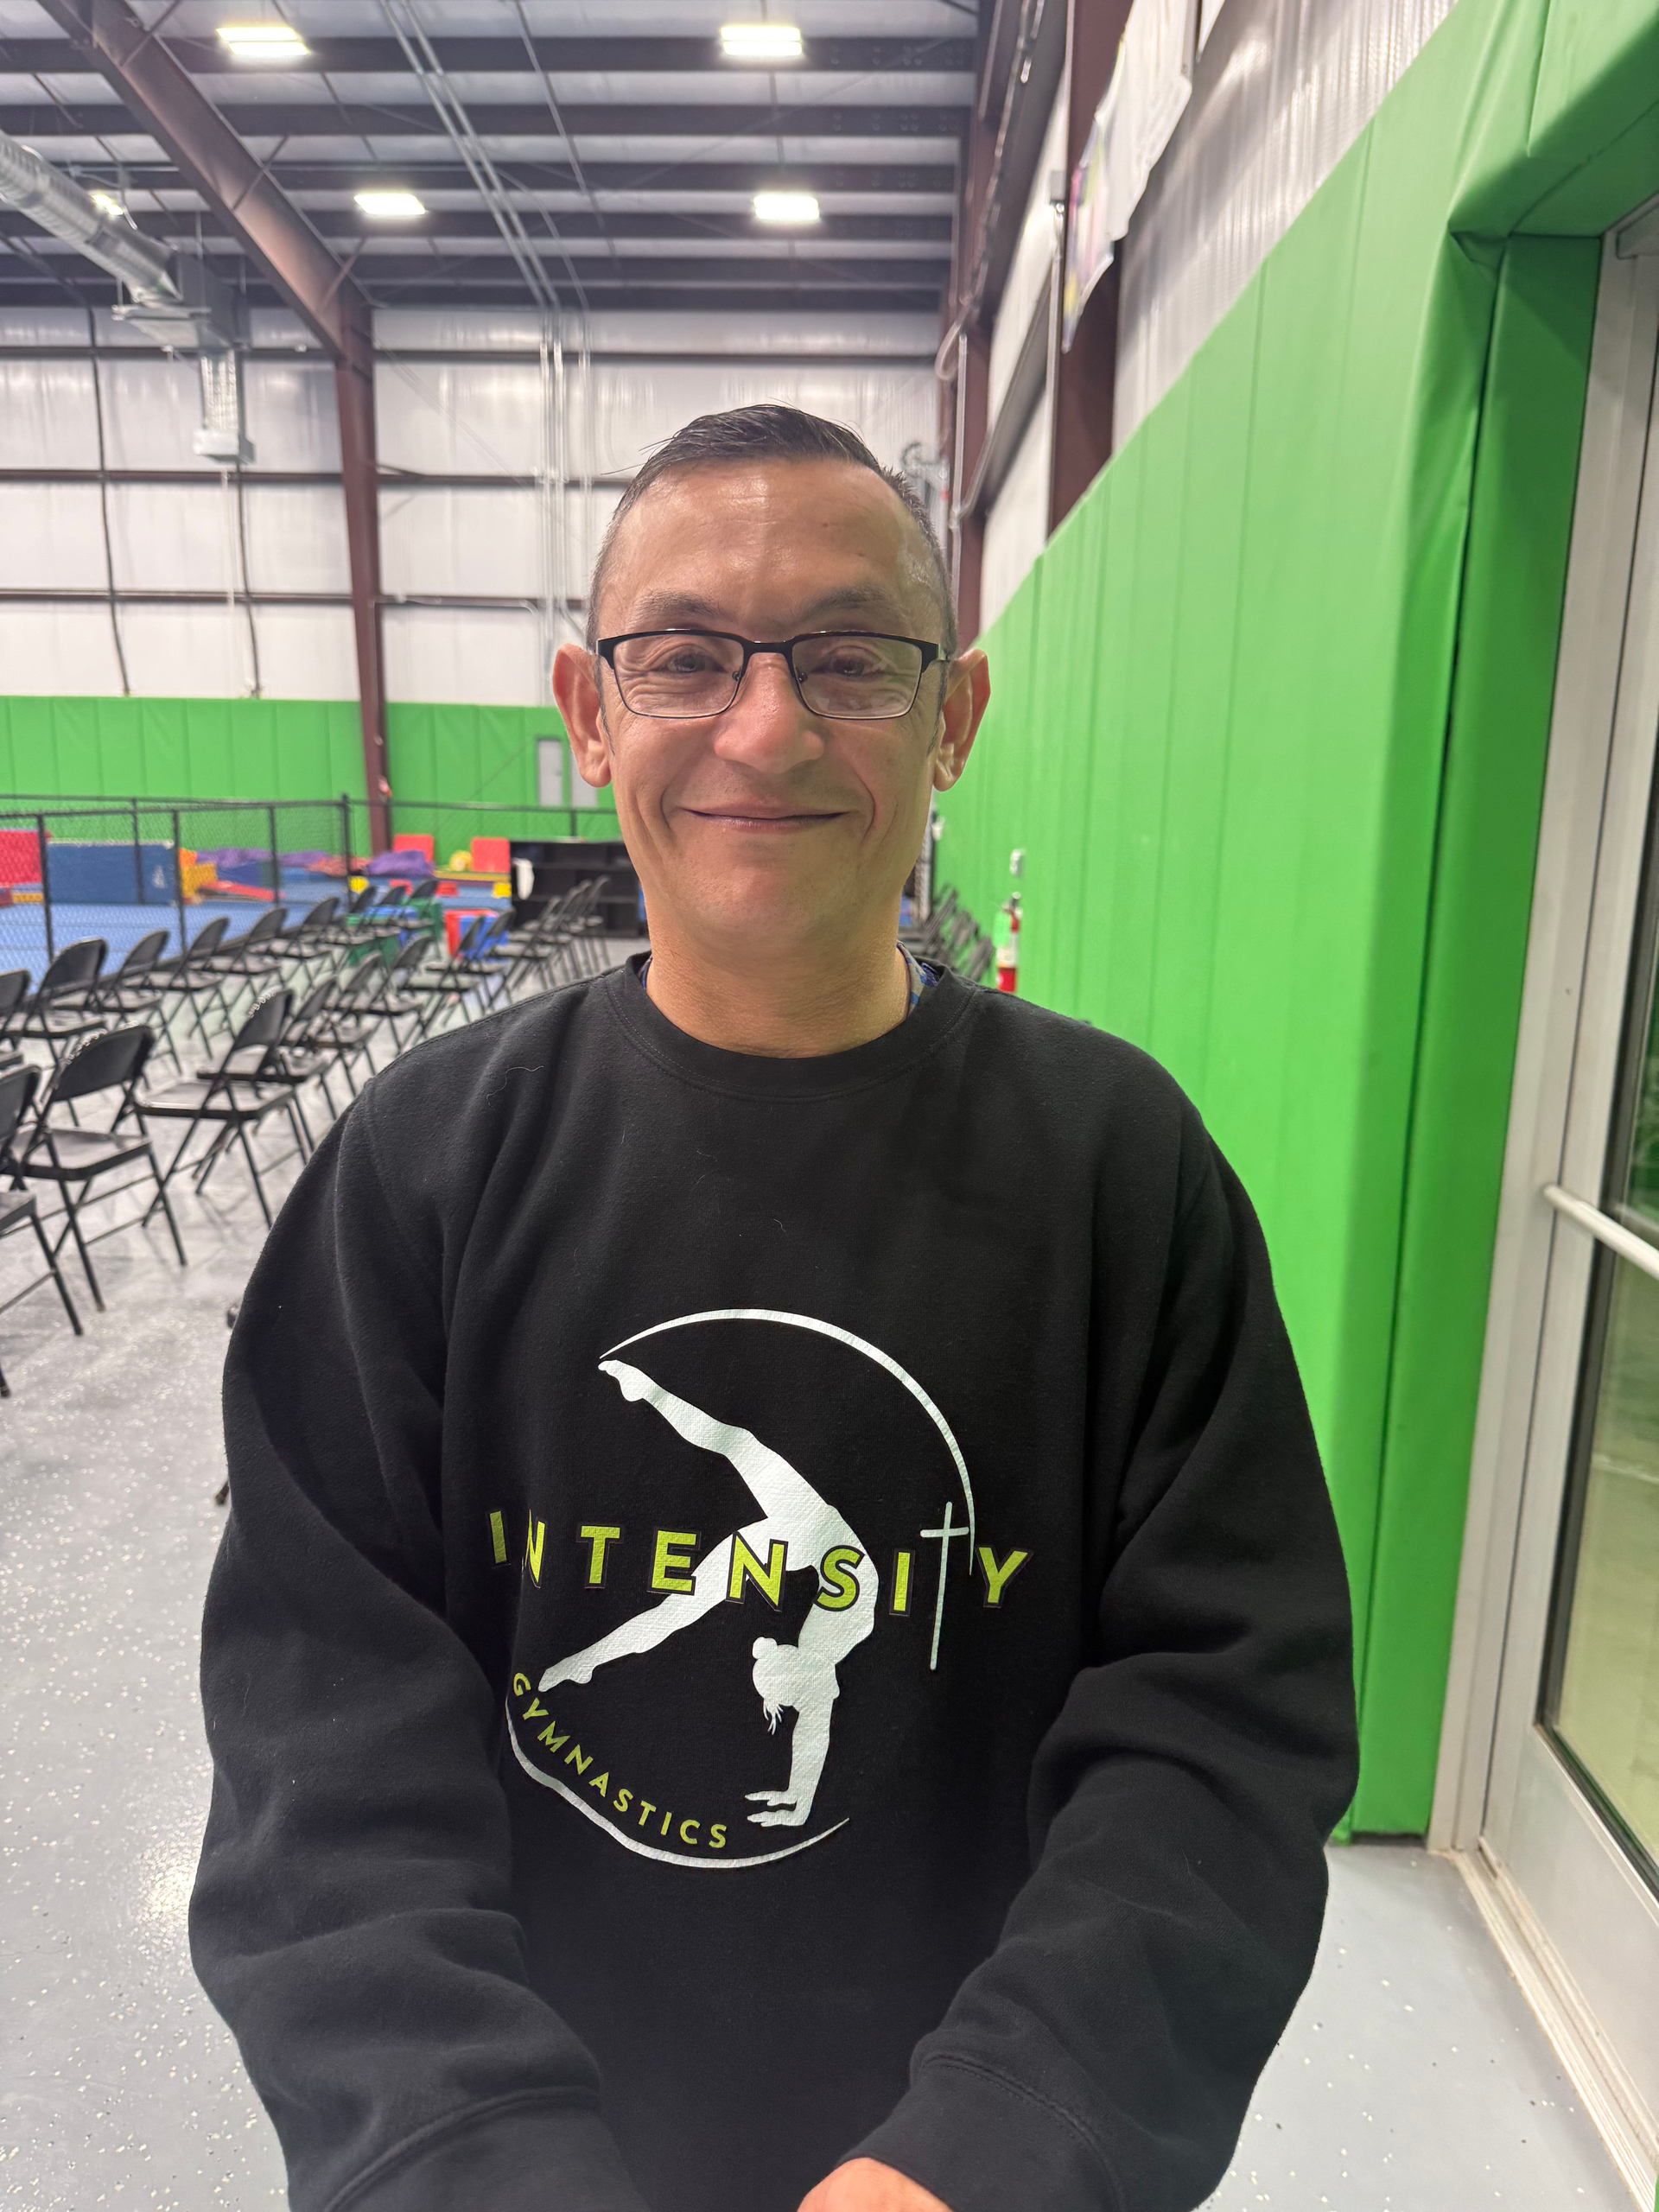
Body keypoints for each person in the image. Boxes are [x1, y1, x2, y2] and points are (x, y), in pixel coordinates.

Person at [191, 404, 1357, 2212]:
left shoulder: (1118, 1170)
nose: (765, 721)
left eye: (848, 658)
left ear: (952, 714)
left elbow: (1221, 1730)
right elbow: (319, 1750)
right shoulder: (422, 1169)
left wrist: (998, 2138)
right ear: (591, 712)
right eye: (686, 658)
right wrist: (471, 2149)